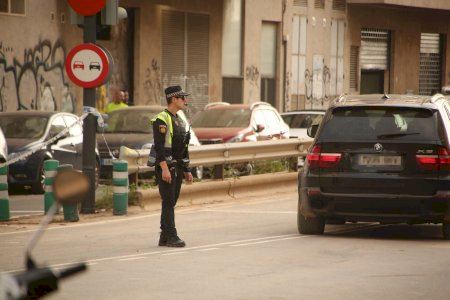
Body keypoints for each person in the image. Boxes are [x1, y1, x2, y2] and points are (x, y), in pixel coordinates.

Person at [150, 85, 193, 247]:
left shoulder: (179, 119)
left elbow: (184, 147)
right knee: (168, 201)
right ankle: (172, 235)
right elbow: (159, 147)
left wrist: (187, 169)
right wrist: (164, 169)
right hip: (166, 167)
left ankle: (164, 236)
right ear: (173, 99)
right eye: (182, 98)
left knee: (170, 201)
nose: (185, 101)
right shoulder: (161, 119)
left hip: (178, 167)